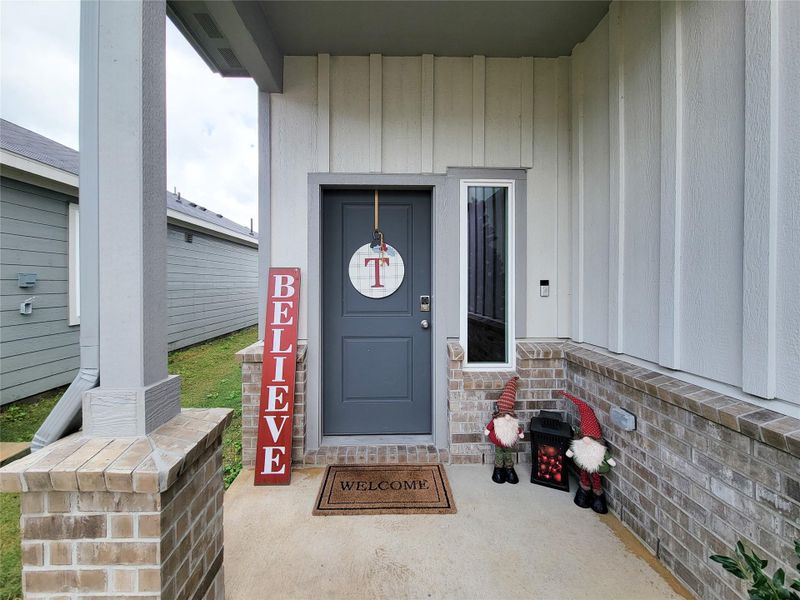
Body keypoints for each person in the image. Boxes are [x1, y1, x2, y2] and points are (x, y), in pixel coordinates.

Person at [484, 376, 524, 484]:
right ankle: (498, 469)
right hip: (498, 440)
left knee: (508, 454)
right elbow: (490, 426)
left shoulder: (512, 420)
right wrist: (487, 430)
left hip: (508, 441)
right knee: (499, 454)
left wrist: (520, 433)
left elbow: (516, 428)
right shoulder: (497, 419)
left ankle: (509, 469)